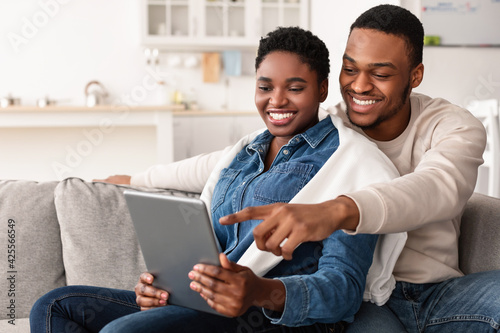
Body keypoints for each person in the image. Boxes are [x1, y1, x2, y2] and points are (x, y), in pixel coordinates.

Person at [103, 5, 498, 332]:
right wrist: (137, 179)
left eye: (379, 73)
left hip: (432, 289)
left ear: (415, 76)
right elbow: (224, 161)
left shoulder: (453, 126)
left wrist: (336, 210)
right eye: (349, 68)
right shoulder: (331, 124)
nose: (359, 86)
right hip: (372, 296)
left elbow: (437, 188)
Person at [31, 27, 402, 332]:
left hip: (264, 317)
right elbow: (202, 247)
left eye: (294, 87)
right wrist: (160, 283)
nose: (277, 100)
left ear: (322, 89)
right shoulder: (241, 154)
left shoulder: (350, 162)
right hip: (202, 302)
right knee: (54, 307)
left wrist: (259, 291)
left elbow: (344, 289)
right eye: (265, 86)